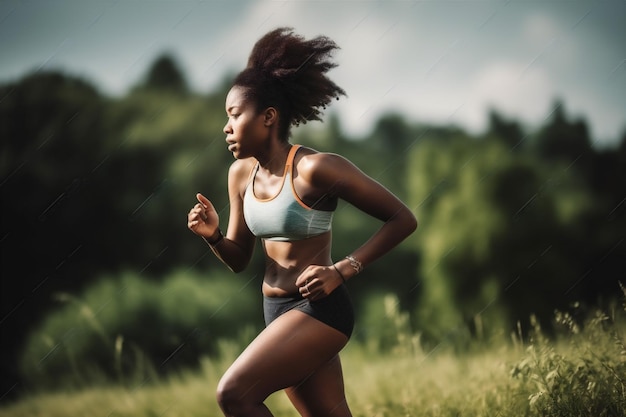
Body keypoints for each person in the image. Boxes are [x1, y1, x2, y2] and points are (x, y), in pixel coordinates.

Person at [187, 27, 417, 417]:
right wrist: (213, 237)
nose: (226, 127)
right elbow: (240, 258)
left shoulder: (315, 169)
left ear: (268, 117)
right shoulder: (240, 175)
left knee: (233, 394)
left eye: (234, 115)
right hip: (275, 311)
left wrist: (342, 270)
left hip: (319, 310)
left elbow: (402, 219)